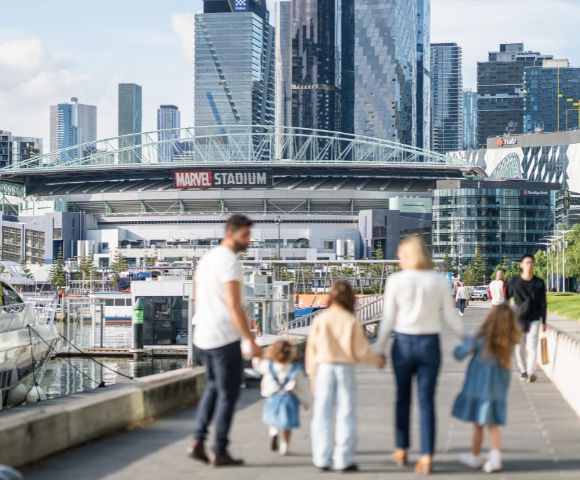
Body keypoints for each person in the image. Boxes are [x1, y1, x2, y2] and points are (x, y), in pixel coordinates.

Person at [375, 237, 464, 474]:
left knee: (402, 398)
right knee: (426, 402)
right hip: (429, 345)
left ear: (410, 256)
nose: (398, 260)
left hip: (403, 344)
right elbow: (451, 316)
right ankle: (426, 455)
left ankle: (401, 448)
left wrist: (379, 349)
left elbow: (388, 320)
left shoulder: (395, 281)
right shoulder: (438, 280)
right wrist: (466, 339)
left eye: (401, 255)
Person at [189, 214, 262, 467]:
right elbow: (234, 306)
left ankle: (198, 441)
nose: (248, 241)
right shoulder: (230, 261)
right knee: (228, 395)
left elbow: (196, 297)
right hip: (223, 338)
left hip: (203, 336)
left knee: (212, 388)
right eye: (245, 235)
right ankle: (219, 450)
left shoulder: (207, 259)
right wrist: (250, 339)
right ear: (230, 233)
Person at [306, 281, 385, 472]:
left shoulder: (321, 319)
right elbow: (360, 351)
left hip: (323, 367)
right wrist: (378, 360)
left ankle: (322, 458)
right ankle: (343, 458)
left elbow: (311, 350)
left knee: (321, 414)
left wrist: (311, 375)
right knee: (345, 413)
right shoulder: (350, 320)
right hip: (344, 367)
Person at [452, 304, 521, 473]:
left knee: (478, 424)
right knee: (493, 425)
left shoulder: (480, 339)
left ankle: (476, 456)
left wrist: (460, 343)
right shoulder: (508, 343)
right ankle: (494, 456)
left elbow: (459, 354)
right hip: (497, 392)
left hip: (478, 389)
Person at [252, 340, 310, 456]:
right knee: (287, 424)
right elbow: (302, 387)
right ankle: (285, 446)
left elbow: (257, 364)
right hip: (289, 398)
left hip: (272, 397)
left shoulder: (268, 366)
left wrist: (255, 354)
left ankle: (273, 432)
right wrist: (306, 402)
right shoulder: (295, 369)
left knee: (272, 418)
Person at [506, 254, 547, 383]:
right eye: (527, 263)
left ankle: (531, 371)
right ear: (521, 265)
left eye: (531, 263)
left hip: (534, 318)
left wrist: (544, 321)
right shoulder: (514, 281)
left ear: (534, 265)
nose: (529, 265)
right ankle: (523, 371)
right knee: (519, 347)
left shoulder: (539, 283)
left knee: (532, 345)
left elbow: (543, 303)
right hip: (518, 319)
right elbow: (506, 298)